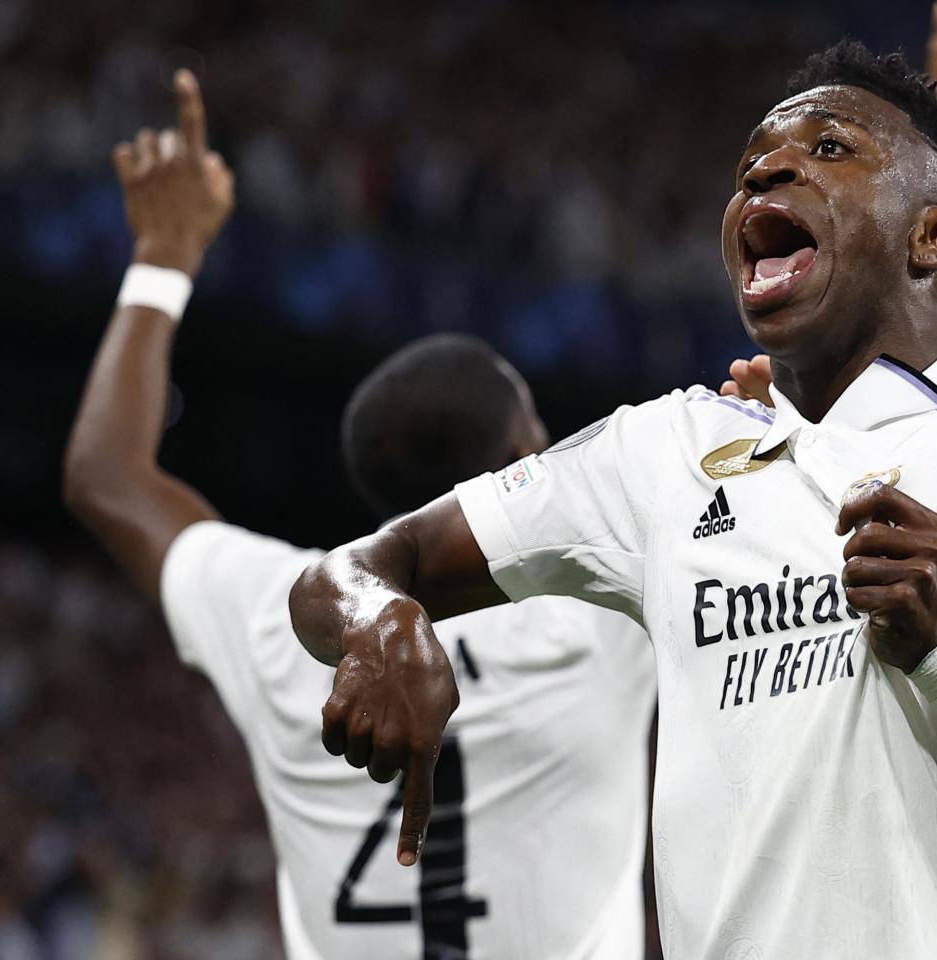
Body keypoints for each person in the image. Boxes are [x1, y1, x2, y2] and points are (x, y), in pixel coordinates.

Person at [289, 38, 937, 960]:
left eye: (832, 150)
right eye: (751, 169)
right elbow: (358, 568)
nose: (768, 169)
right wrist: (382, 622)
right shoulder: (662, 454)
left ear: (934, 237)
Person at [62, 70, 656, 960]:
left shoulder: (283, 614)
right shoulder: (609, 606)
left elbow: (107, 475)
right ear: (523, 468)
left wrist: (163, 256)